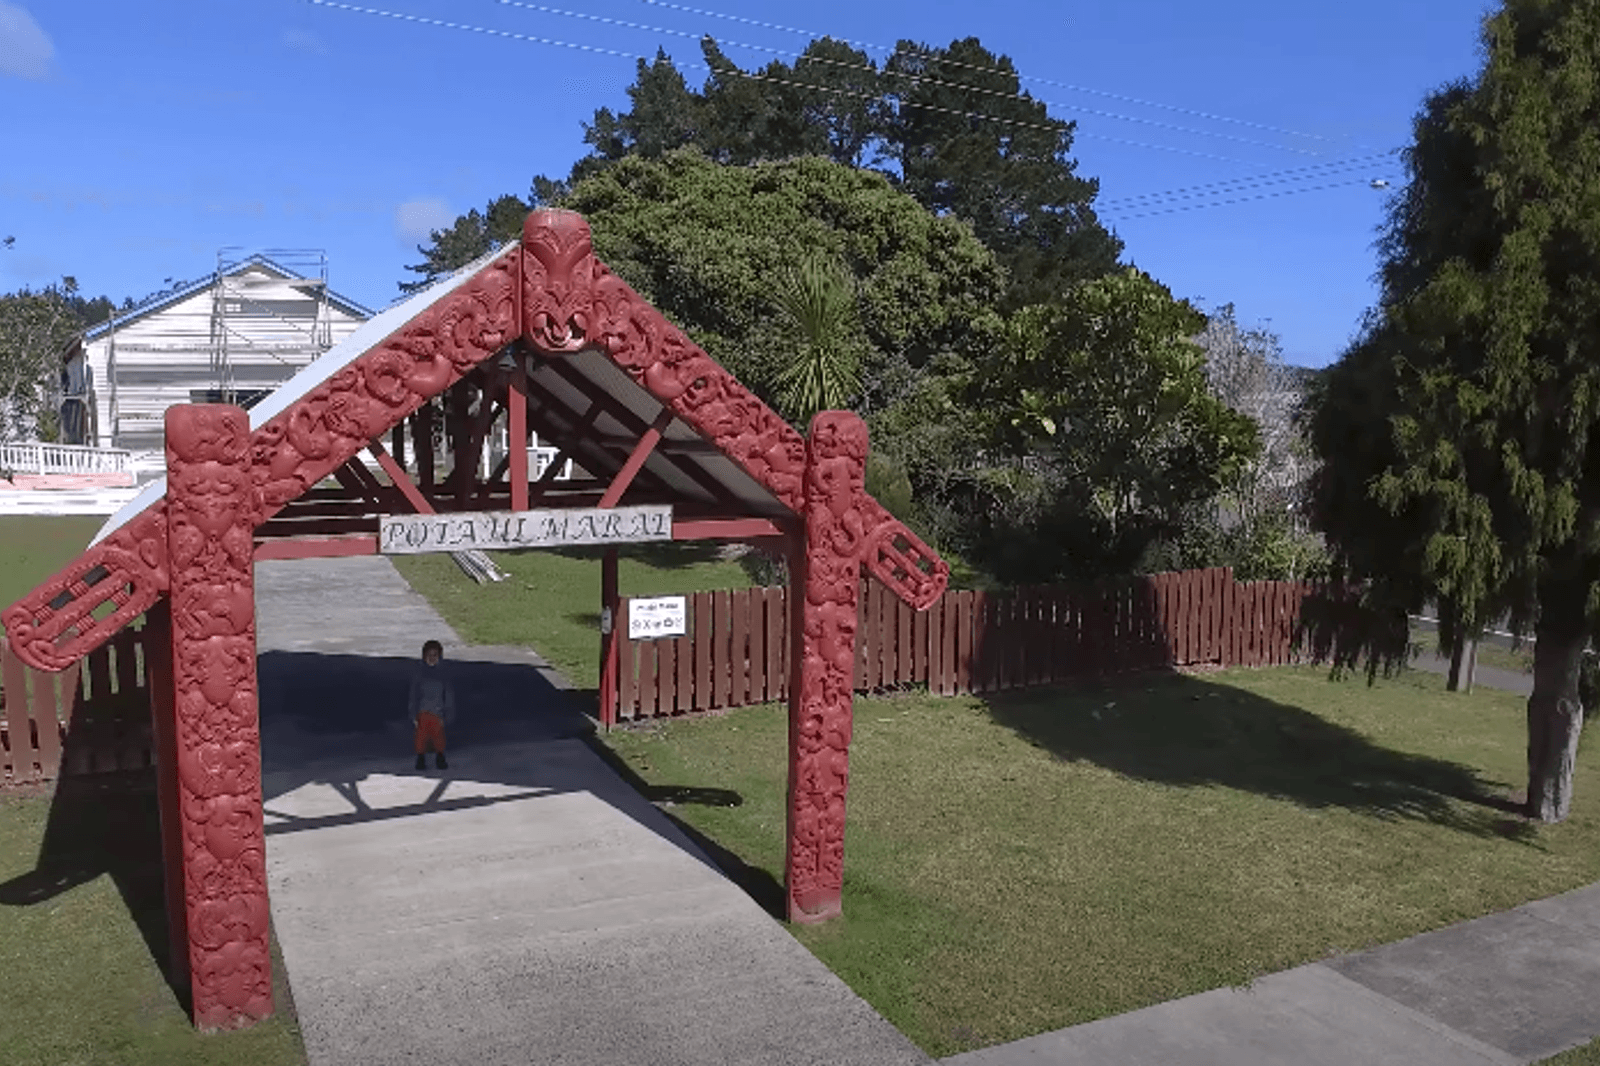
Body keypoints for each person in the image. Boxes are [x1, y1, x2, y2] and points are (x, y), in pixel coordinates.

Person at [408, 639, 456, 771]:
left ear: (439, 657)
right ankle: (420, 758)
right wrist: (413, 714)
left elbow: (448, 696)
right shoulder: (419, 675)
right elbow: (414, 695)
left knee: (438, 737)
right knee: (421, 737)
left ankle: (440, 757)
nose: (432, 658)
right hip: (423, 712)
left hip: (438, 712)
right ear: (424, 656)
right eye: (429, 655)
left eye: (435, 655)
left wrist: (448, 715)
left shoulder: (443, 676)